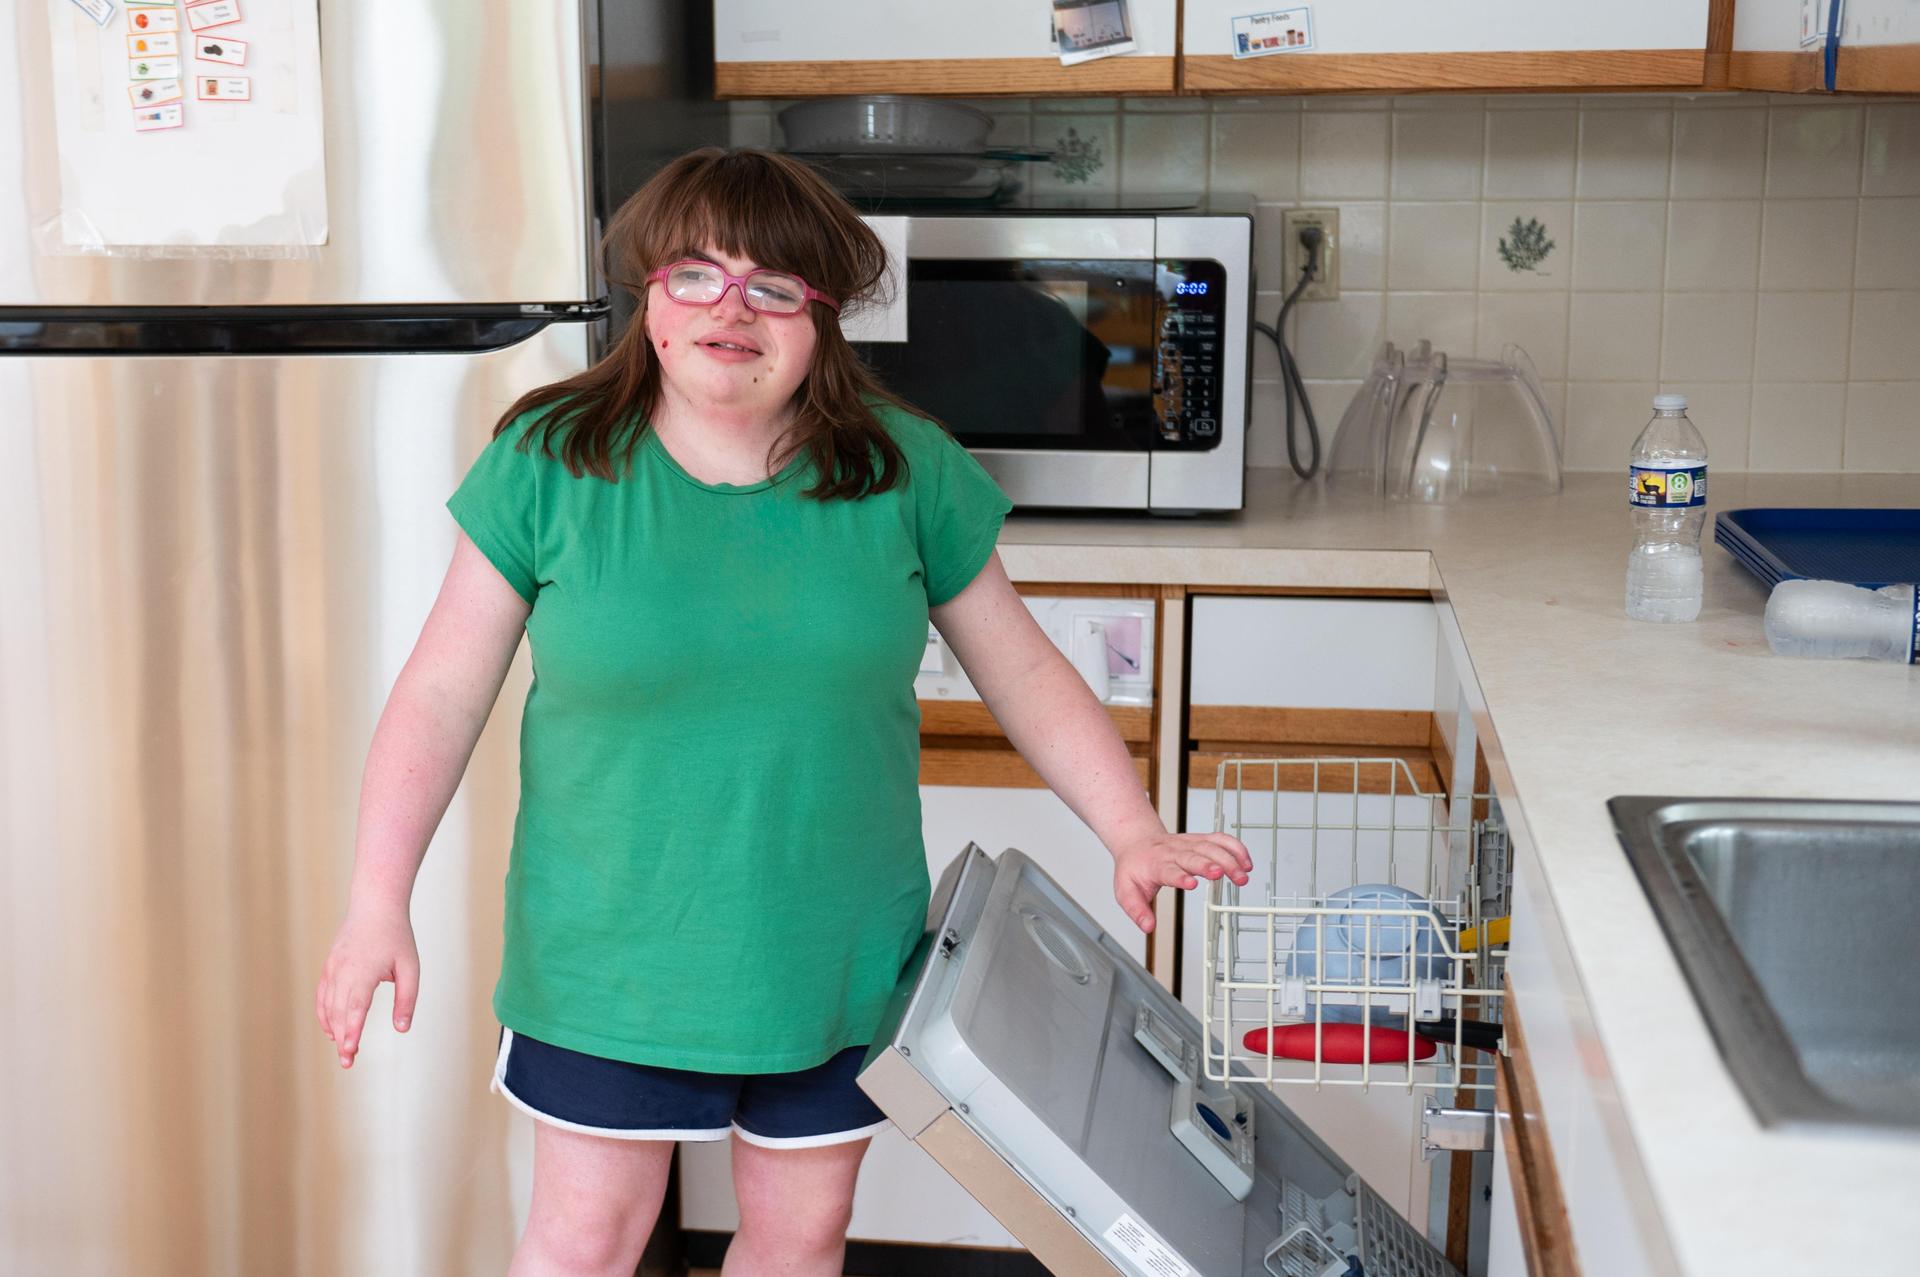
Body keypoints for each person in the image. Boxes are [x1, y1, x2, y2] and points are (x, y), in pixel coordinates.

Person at [313, 147, 1250, 1277]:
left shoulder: (906, 471)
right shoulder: (551, 458)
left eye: (774, 286)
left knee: (799, 1242)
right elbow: (437, 693)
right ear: (650, 296)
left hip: (834, 963)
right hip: (610, 960)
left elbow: (1031, 674)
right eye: (696, 275)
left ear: (823, 316)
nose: (731, 308)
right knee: (585, 1240)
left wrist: (1134, 828)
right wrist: (377, 899)